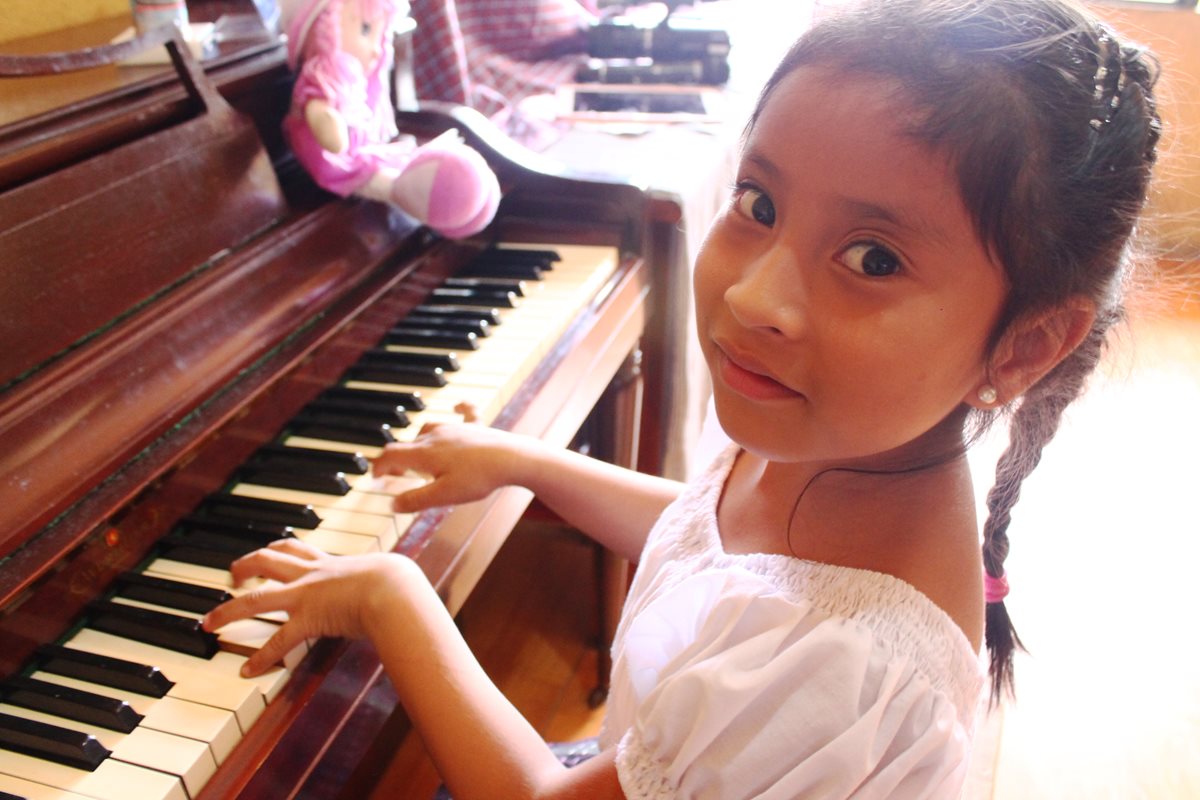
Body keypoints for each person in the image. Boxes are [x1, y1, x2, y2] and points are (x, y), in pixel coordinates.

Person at [203, 0, 1162, 795]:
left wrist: (390, 595)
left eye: (873, 258)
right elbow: (714, 537)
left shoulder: (840, 665)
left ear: (1026, 343)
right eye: (759, 204)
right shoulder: (836, 452)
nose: (753, 298)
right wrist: (527, 463)